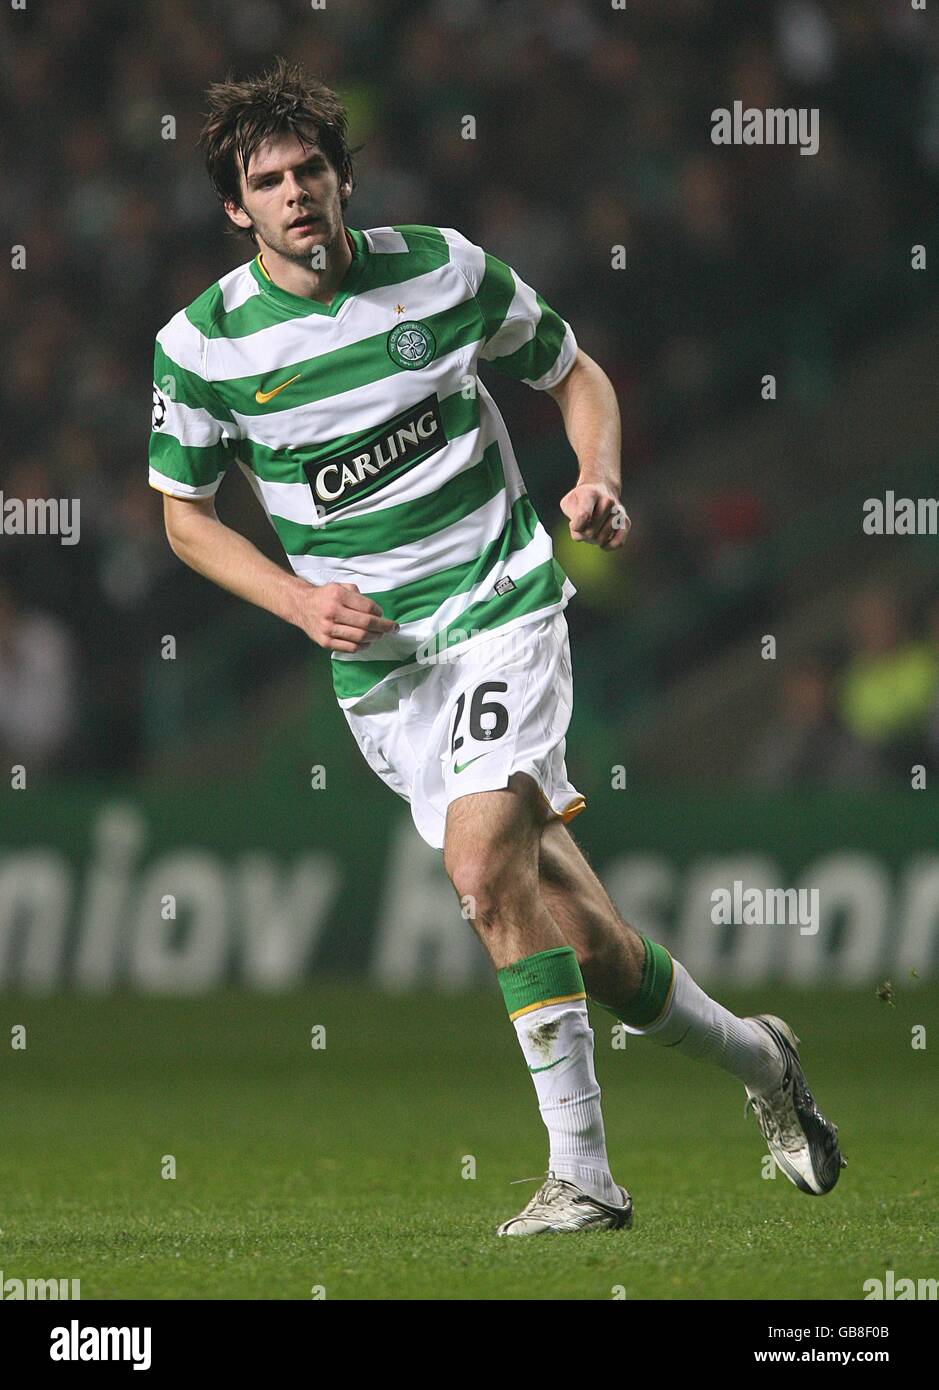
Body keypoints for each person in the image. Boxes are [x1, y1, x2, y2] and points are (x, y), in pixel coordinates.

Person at [149, 59, 843, 1236]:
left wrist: (599, 477)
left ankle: (587, 1178)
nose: (296, 193)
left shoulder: (443, 269)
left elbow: (574, 374)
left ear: (343, 173)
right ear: (236, 207)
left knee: (481, 872)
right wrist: (296, 603)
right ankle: (764, 1064)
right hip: (382, 674)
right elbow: (182, 514)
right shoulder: (202, 348)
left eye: (311, 168)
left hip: (501, 605)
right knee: (598, 949)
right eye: (267, 181)